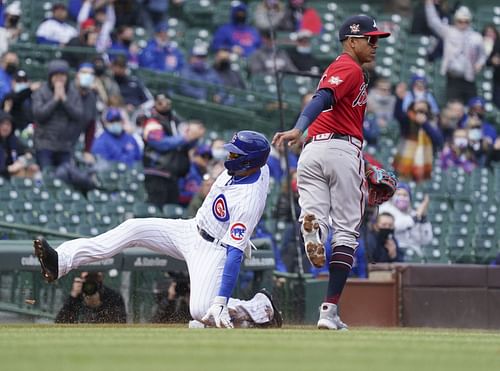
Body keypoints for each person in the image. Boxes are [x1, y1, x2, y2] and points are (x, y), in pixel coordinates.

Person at [34, 130, 283, 329]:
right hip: (192, 229)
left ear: (248, 160)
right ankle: (61, 261)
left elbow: (235, 255)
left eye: (234, 154)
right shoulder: (254, 166)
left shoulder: (248, 199)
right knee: (134, 227)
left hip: (214, 249)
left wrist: (220, 302)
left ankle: (258, 307)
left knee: (201, 311)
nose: (228, 157)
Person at [272, 14, 391, 330]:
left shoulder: (350, 70)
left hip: (312, 153)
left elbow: (331, 104)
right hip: (338, 148)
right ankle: (328, 312)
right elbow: (321, 97)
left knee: (316, 217)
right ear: (352, 41)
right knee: (347, 233)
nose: (376, 44)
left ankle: (314, 230)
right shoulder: (347, 66)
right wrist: (299, 127)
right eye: (371, 38)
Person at [142, 94, 205, 207]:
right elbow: (160, 143)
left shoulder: (176, 121)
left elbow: (187, 143)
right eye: (161, 102)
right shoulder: (152, 122)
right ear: (155, 103)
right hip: (157, 173)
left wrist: (195, 135)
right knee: (156, 210)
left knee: (171, 211)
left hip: (174, 175)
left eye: (167, 101)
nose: (164, 104)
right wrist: (186, 137)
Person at [424, 0, 487, 104]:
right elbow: (433, 22)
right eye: (460, 21)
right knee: (453, 106)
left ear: (470, 21)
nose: (463, 24)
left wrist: (479, 64)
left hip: (469, 77)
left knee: (472, 105)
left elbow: (483, 56)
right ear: (455, 20)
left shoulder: (476, 37)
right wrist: (429, 5)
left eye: (466, 21)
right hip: (453, 78)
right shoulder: (449, 32)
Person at [31, 59, 85, 169]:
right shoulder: (41, 91)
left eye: (62, 75)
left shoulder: (73, 93)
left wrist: (64, 100)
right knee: (47, 176)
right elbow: (39, 114)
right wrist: (55, 99)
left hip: (65, 145)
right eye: (56, 75)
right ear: (50, 77)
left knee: (65, 177)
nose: (59, 79)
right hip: (44, 144)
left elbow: (78, 115)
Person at [378, 182, 433, 258]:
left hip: (415, 253)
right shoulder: (385, 208)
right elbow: (395, 226)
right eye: (398, 194)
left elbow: (426, 240)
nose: (402, 197)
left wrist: (423, 219)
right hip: (395, 251)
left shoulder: (413, 213)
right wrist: (416, 217)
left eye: (405, 195)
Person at [55, 271, 127, 324]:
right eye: (87, 278)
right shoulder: (76, 296)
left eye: (95, 277)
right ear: (81, 278)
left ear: (101, 277)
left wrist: (98, 306)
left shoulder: (112, 296)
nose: (91, 281)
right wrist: (73, 297)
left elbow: (120, 322)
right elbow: (60, 322)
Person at [0, 111, 39, 179]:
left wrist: (29, 159)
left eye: (8, 124)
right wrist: (8, 169)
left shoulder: (12, 139)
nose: (5, 127)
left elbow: (25, 150)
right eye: (2, 124)